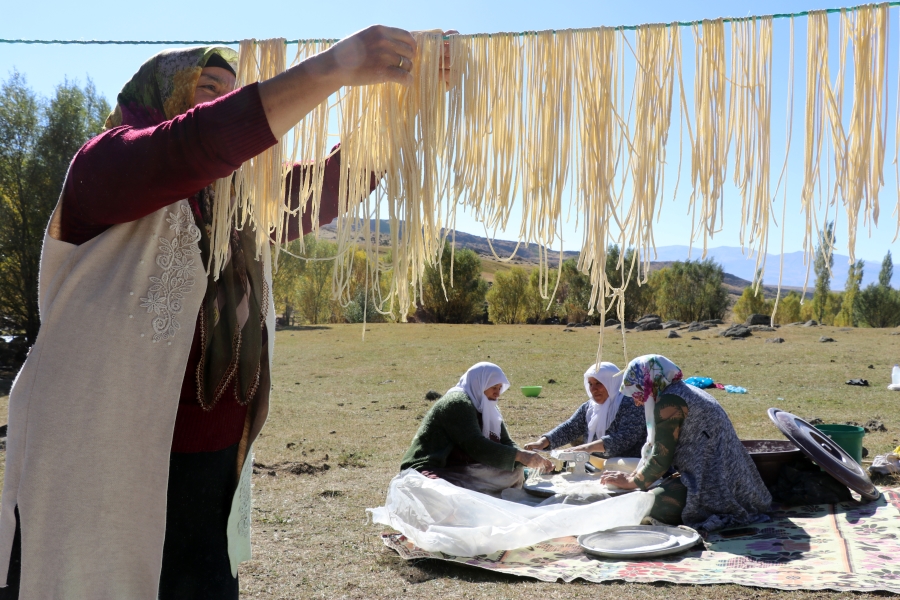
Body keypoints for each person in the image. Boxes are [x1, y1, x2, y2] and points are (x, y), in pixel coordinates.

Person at [0, 26, 452, 599]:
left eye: (232, 93)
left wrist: (412, 95)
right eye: (207, 88)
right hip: (105, 453)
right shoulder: (106, 165)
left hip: (211, 457)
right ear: (159, 96)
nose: (220, 104)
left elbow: (333, 182)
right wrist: (335, 67)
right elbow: (197, 144)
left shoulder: (235, 204)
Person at [599, 355, 772, 533]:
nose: (636, 401)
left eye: (637, 391)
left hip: (716, 483)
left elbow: (661, 459)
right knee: (648, 494)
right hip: (734, 477)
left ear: (650, 382)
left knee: (652, 504)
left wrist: (630, 481)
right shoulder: (683, 390)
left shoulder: (670, 403)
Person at [400, 362, 553, 497]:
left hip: (462, 467)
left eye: (500, 388)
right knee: (444, 496)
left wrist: (528, 460)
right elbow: (475, 445)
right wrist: (520, 456)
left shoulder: (487, 406)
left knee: (514, 473)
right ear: (480, 383)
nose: (497, 393)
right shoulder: (457, 402)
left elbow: (505, 441)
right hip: (431, 468)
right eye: (493, 387)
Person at [523, 361, 644, 458]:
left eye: (598, 383)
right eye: (590, 384)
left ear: (612, 382)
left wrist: (587, 448)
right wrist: (542, 443)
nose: (593, 389)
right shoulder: (589, 407)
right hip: (596, 463)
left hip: (629, 463)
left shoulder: (631, 403)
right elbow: (569, 428)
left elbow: (625, 437)